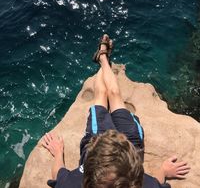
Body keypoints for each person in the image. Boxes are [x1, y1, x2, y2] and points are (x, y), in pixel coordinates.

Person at [42, 34, 190, 188]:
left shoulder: (71, 184)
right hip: (128, 148)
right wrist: (163, 171)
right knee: (114, 95)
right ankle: (104, 59)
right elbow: (156, 183)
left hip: (113, 151)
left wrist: (58, 152)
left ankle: (103, 59)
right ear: (136, 177)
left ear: (86, 178)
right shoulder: (141, 182)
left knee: (101, 97)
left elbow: (58, 174)